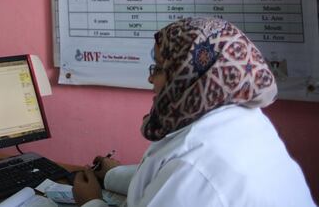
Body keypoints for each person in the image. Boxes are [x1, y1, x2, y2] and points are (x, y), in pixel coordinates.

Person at [72, 17, 314, 207]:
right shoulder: (242, 118)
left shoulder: (194, 168)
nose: (149, 78)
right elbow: (166, 176)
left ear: (186, 76)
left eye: (157, 68)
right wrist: (113, 175)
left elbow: (182, 176)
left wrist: (91, 201)